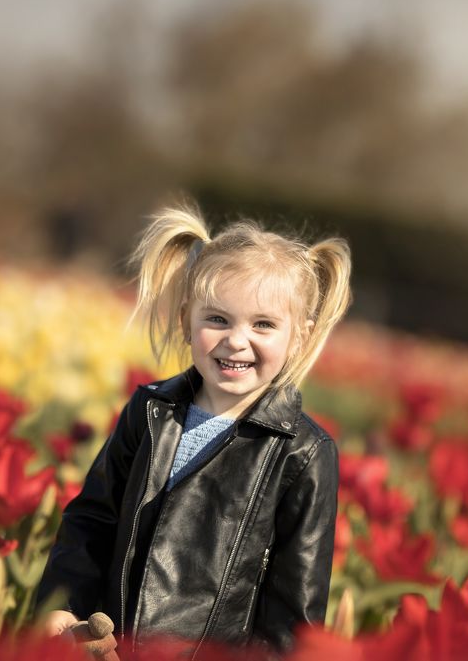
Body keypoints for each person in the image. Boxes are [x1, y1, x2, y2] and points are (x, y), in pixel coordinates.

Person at [36, 200, 352, 655]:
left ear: (298, 335)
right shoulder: (150, 411)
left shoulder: (301, 452)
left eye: (263, 324)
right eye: (217, 319)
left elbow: (294, 611)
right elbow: (92, 520)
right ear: (186, 319)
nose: (236, 339)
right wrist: (64, 603)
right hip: (110, 648)